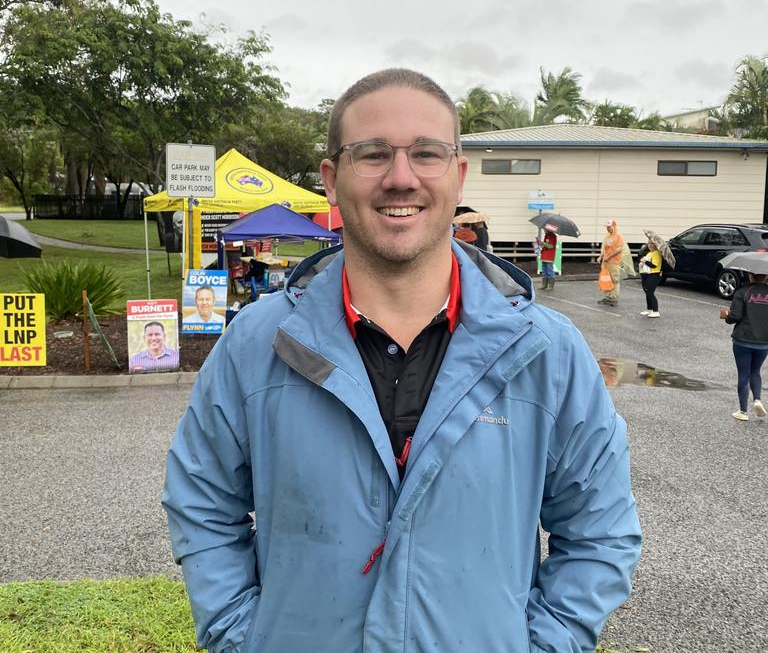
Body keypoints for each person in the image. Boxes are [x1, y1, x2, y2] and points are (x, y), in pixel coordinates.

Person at [163, 68, 641, 653]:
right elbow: (203, 504)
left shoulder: (549, 353)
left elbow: (599, 533)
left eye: (426, 153)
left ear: (457, 175)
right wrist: (242, 638)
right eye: (372, 154)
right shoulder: (255, 346)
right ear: (332, 181)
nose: (400, 177)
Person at [720, 272, 768, 421]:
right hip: (763, 341)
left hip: (743, 339)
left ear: (750, 276)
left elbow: (735, 316)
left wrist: (726, 315)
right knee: (755, 371)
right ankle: (758, 400)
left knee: (743, 374)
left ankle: (743, 411)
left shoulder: (743, 292)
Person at [598, 219, 625, 306]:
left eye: (609, 227)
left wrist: (609, 256)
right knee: (606, 279)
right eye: (607, 227)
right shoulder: (607, 237)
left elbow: (619, 249)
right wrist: (601, 257)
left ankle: (614, 298)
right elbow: (604, 249)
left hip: (614, 262)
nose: (608, 229)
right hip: (605, 263)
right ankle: (608, 297)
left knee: (614, 280)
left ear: (614, 226)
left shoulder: (619, 236)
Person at [639, 238, 662, 317]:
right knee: (647, 292)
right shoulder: (649, 253)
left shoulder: (656, 253)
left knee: (650, 293)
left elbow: (654, 265)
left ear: (656, 245)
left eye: (652, 243)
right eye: (649, 243)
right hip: (647, 274)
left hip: (654, 275)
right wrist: (643, 262)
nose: (650, 245)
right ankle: (649, 309)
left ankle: (656, 311)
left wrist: (645, 261)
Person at [538, 226, 557, 290]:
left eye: (545, 229)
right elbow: (546, 245)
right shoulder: (547, 235)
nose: (544, 230)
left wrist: (543, 243)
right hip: (545, 255)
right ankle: (544, 285)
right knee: (544, 271)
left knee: (549, 271)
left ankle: (551, 285)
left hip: (549, 256)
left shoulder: (552, 236)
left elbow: (551, 246)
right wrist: (541, 243)